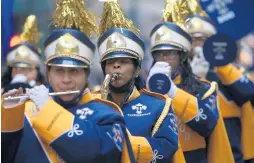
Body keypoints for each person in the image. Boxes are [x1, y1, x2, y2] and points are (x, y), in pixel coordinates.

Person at [1, 0, 128, 162]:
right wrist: (10, 118)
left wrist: (47, 109)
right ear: (47, 72)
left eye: (74, 71)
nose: (66, 80)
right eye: (59, 71)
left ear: (86, 74)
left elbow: (95, 154)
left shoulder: (108, 115)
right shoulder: (25, 112)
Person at [92, 1, 182, 162]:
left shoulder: (158, 106)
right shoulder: (90, 103)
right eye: (111, 63)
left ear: (137, 70)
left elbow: (166, 148)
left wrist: (123, 142)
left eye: (124, 62)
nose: (116, 66)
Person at [147, 0, 234, 162]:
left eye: (170, 53)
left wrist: (172, 91)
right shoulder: (144, 90)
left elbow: (207, 123)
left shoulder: (204, 88)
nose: (164, 58)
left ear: (182, 56)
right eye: (160, 53)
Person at [185, 12, 254, 163]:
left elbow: (248, 92)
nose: (197, 46)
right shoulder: (179, 75)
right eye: (193, 41)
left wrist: (218, 62)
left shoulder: (226, 71)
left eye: (202, 40)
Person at [1, 15, 45, 94]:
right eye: (16, 70)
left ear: (37, 72)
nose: (21, 74)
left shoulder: (45, 96)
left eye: (28, 70)